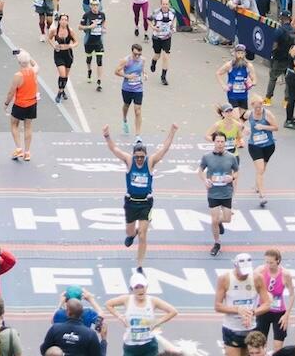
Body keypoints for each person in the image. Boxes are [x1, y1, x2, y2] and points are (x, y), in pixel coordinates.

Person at [104, 124, 180, 267]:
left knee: (143, 235)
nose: (139, 159)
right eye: (137, 157)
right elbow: (114, 149)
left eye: (141, 157)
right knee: (130, 231)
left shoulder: (150, 162)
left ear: (145, 155)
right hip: (131, 202)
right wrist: (107, 135)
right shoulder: (129, 160)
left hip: (146, 203)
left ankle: (139, 265)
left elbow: (164, 148)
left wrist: (172, 131)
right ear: (133, 155)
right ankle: (133, 234)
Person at [107, 274, 181, 356]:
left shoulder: (153, 301)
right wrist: (120, 317)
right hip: (131, 347)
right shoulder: (127, 299)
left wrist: (158, 322)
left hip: (149, 346)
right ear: (132, 289)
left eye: (142, 286)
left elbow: (173, 311)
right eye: (136, 287)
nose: (140, 290)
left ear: (146, 287)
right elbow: (108, 304)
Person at [216, 254, 266, 356]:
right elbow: (217, 306)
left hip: (251, 328)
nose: (245, 274)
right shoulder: (224, 278)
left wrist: (252, 312)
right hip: (232, 328)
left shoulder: (257, 278)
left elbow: (267, 304)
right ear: (235, 266)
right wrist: (238, 310)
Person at [201, 130, 241, 255]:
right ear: (214, 142)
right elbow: (200, 170)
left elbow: (237, 171)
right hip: (213, 192)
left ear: (225, 143)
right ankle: (217, 243)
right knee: (213, 220)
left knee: (227, 219)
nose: (220, 144)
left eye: (222, 142)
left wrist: (232, 177)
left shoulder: (231, 157)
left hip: (226, 192)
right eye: (217, 141)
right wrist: (205, 180)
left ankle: (219, 222)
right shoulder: (207, 157)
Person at [246, 96, 281, 206]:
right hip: (254, 145)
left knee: (262, 169)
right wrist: (244, 128)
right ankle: (262, 195)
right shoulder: (249, 114)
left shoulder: (267, 114)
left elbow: (276, 127)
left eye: (260, 106)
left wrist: (263, 127)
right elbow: (238, 121)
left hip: (268, 145)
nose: (258, 109)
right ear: (252, 106)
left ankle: (257, 185)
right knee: (260, 169)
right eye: (256, 107)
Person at [7, 51, 40, 161]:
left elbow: (11, 92)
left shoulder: (18, 76)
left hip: (20, 104)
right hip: (32, 103)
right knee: (28, 126)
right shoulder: (34, 71)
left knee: (14, 124)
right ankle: (27, 152)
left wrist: (6, 103)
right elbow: (36, 65)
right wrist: (28, 55)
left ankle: (19, 148)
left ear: (19, 62)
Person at [115, 43, 149, 134]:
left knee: (138, 111)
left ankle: (138, 134)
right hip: (127, 88)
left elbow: (142, 69)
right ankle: (125, 120)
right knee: (126, 105)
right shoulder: (126, 60)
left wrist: (145, 74)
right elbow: (116, 71)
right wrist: (127, 76)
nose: (137, 56)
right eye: (135, 54)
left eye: (139, 54)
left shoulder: (143, 60)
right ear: (132, 52)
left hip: (138, 88)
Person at [50, 15, 78, 102]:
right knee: (62, 74)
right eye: (62, 19)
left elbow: (76, 42)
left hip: (68, 55)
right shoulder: (55, 30)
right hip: (58, 54)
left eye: (65, 20)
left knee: (65, 75)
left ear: (67, 21)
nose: (64, 21)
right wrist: (54, 46)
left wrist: (71, 45)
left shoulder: (70, 31)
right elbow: (49, 38)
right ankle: (59, 92)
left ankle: (62, 90)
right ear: (59, 21)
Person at [82, 0, 108, 90]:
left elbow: (104, 24)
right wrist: (90, 27)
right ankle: (89, 71)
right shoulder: (87, 15)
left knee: (99, 61)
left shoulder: (102, 15)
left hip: (98, 42)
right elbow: (80, 27)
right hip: (89, 42)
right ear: (90, 6)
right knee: (89, 59)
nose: (95, 7)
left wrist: (104, 29)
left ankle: (99, 81)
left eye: (96, 5)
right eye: (93, 5)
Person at [148, 2, 176, 86]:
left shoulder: (172, 12)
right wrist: (153, 27)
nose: (165, 6)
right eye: (163, 4)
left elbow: (174, 19)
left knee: (165, 57)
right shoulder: (156, 12)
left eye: (166, 4)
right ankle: (153, 62)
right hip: (157, 37)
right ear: (161, 4)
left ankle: (163, 77)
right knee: (157, 55)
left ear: (169, 5)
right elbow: (148, 19)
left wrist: (173, 27)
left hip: (167, 37)